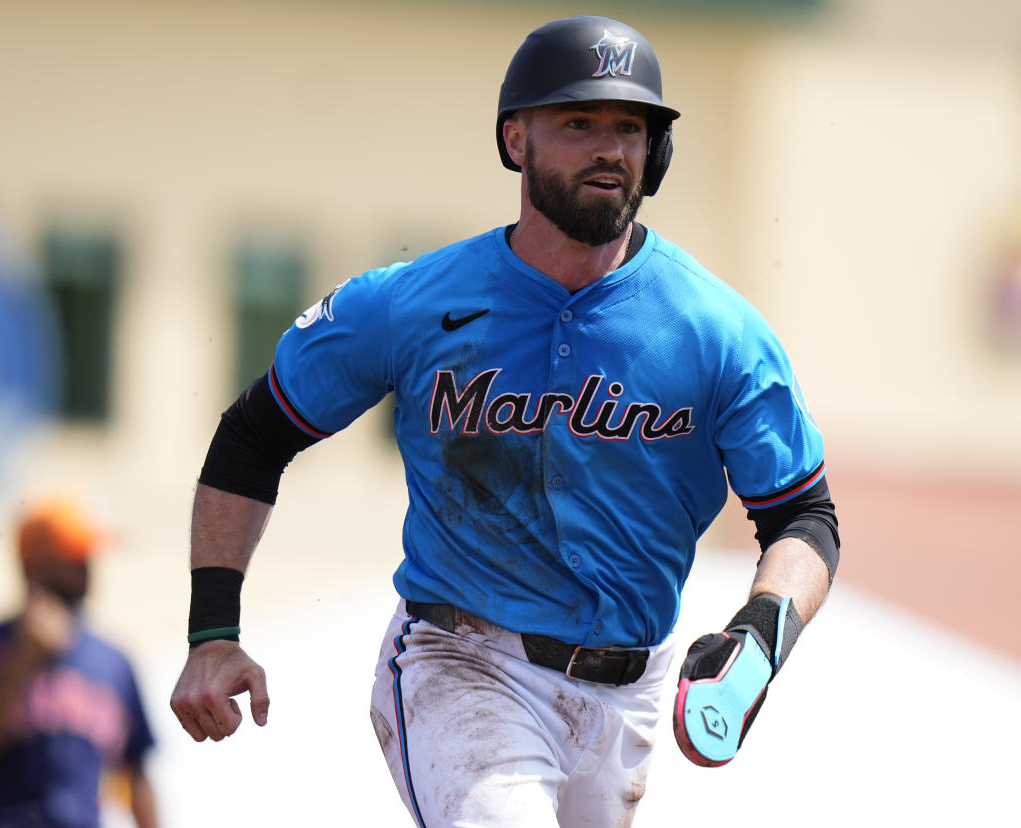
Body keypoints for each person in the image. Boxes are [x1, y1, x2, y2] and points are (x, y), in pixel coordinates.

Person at [170, 14, 839, 827]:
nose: (608, 147)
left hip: (630, 695)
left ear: (656, 154)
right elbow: (254, 435)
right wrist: (213, 630)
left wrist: (762, 632)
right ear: (515, 140)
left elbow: (803, 516)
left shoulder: (718, 332)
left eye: (630, 127)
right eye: (578, 121)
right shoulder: (412, 302)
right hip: (464, 662)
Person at [0, 497, 160, 828]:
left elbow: (137, 774)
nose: (88, 568)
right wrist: (24, 660)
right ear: (35, 567)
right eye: (74, 558)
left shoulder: (114, 661)